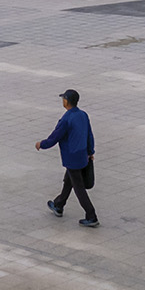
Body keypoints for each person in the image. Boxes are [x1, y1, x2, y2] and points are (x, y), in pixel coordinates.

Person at [36, 88, 97, 227]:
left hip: (72, 157)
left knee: (78, 187)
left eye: (63, 98)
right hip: (82, 155)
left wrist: (42, 144)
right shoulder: (83, 115)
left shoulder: (66, 119)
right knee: (68, 180)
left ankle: (91, 215)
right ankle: (59, 204)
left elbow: (55, 137)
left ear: (66, 101)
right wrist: (90, 151)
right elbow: (89, 134)